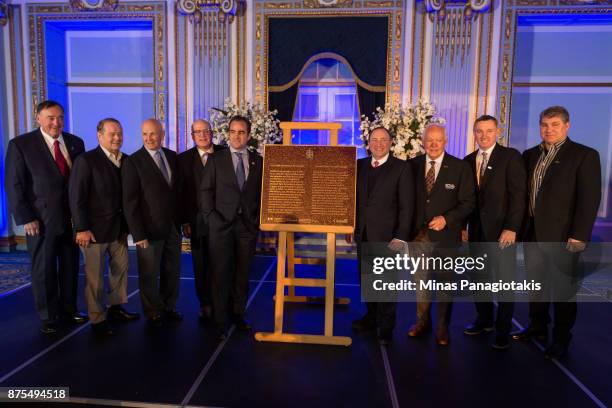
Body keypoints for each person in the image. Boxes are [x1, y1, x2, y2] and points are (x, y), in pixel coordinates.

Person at [512, 106, 601, 358]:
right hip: (532, 234)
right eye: (544, 125)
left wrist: (579, 235)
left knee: (563, 290)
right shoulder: (530, 155)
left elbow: (589, 199)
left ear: (567, 125)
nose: (548, 130)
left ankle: (562, 338)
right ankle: (538, 327)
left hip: (564, 236)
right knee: (536, 286)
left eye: (554, 125)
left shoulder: (583, 155)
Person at [5, 100, 87, 334]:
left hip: (71, 220)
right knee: (44, 269)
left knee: (71, 267)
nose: (56, 122)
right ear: (38, 118)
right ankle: (49, 316)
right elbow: (14, 185)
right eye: (50, 118)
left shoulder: (75, 143)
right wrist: (26, 217)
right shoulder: (21, 145)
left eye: (60, 117)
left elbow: (79, 183)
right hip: (40, 221)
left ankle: (69, 309)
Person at [69, 118, 140, 336]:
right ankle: (97, 319)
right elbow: (76, 197)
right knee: (95, 279)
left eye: (119, 133)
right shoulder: (86, 161)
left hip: (119, 230)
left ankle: (116, 308)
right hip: (93, 232)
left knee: (120, 271)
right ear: (100, 136)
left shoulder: (127, 160)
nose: (117, 137)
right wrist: (81, 228)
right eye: (112, 134)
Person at [407, 124, 475, 346]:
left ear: (445, 141)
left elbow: (468, 203)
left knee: (445, 285)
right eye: (429, 140)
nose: (434, 144)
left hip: (446, 237)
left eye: (438, 140)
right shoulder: (412, 166)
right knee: (421, 284)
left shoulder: (460, 167)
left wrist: (447, 219)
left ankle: (442, 328)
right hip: (418, 237)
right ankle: (422, 322)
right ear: (423, 141)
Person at [462, 115, 526, 349]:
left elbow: (519, 196)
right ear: (474, 133)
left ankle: (503, 328)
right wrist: (462, 226)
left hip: (502, 233)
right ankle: (485, 320)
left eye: (489, 131)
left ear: (497, 132)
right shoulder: (468, 161)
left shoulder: (510, 157)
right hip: (476, 232)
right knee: (479, 280)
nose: (484, 135)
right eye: (479, 131)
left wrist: (512, 228)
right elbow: (466, 199)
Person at [199, 116, 263, 340]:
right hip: (221, 227)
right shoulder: (216, 159)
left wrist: (256, 220)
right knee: (220, 274)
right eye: (233, 132)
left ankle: (238, 314)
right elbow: (205, 191)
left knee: (243, 273)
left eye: (242, 132)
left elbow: (261, 195)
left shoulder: (258, 161)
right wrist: (212, 218)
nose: (237, 136)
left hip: (246, 227)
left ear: (249, 135)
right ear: (228, 134)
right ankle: (219, 320)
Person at [351, 127, 414, 345]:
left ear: (390, 142)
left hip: (389, 238)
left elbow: (407, 207)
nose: (378, 143)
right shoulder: (359, 166)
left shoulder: (402, 168)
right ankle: (371, 317)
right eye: (374, 140)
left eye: (383, 140)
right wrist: (352, 229)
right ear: (368, 143)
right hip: (364, 235)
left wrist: (401, 236)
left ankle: (386, 328)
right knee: (366, 281)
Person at [122, 118, 183, 326]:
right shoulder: (133, 161)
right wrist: (138, 234)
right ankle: (152, 310)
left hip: (173, 227)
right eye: (145, 134)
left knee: (172, 270)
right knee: (149, 273)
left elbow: (177, 193)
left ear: (162, 134)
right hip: (148, 230)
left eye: (153, 134)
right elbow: (130, 203)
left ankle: (169, 306)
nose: (149, 138)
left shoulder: (172, 157)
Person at [178, 119, 224, 323]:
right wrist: (185, 221)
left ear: (212, 133)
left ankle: (223, 302)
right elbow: (182, 193)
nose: (203, 135)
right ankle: (205, 303)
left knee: (223, 264)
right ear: (192, 136)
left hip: (224, 220)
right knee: (201, 265)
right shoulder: (183, 160)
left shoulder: (225, 154)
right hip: (196, 222)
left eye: (206, 131)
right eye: (198, 132)